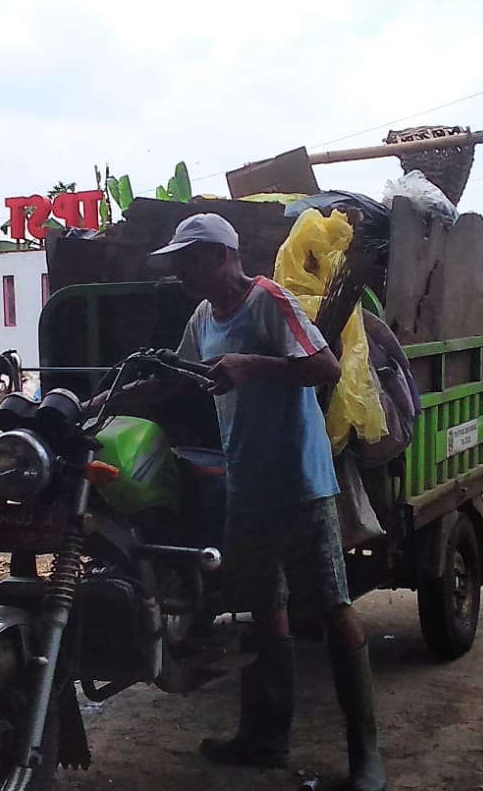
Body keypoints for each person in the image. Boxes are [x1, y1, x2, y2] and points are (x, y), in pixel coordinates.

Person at [149, 214, 387, 791]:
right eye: (177, 263)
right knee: (263, 606)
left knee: (331, 608)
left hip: (299, 484)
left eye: (189, 261)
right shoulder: (203, 316)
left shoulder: (269, 301)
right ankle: (265, 737)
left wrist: (250, 366)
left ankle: (366, 756)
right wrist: (108, 396)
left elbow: (325, 366)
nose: (180, 272)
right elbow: (180, 375)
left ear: (222, 256)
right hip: (247, 485)